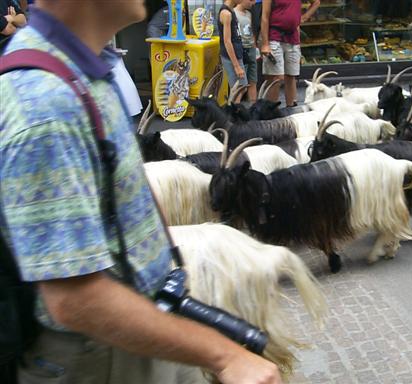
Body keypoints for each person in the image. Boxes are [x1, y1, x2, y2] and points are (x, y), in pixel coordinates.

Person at [0, 1, 282, 384]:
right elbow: (75, 299)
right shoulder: (45, 103)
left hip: (136, 328)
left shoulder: (83, 69)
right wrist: (225, 356)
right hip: (100, 357)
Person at [260, 0, 321, 107]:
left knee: (291, 75)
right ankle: (270, 111)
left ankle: (292, 109)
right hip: (274, 36)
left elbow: (316, 2)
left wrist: (304, 17)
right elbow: (264, 17)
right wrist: (265, 44)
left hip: (293, 38)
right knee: (276, 77)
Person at [218, 0, 246, 100]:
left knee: (240, 88)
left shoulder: (231, 11)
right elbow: (227, 41)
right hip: (231, 56)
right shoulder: (226, 14)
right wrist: (236, 66)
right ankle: (233, 113)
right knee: (237, 89)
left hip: (236, 53)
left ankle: (234, 112)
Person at [235, 0, 257, 102]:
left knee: (253, 79)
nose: (253, 3)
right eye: (251, 0)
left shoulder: (249, 14)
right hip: (241, 50)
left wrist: (255, 46)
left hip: (251, 49)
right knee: (241, 82)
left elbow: (252, 31)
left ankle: (253, 104)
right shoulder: (233, 13)